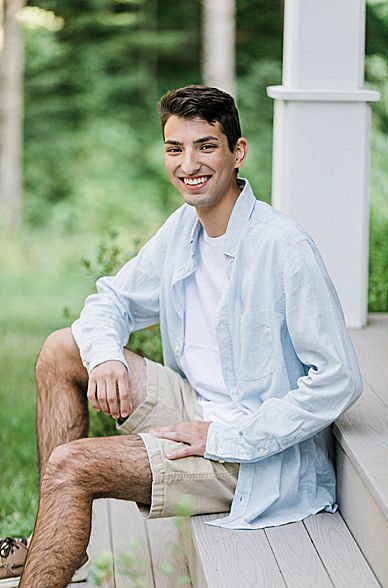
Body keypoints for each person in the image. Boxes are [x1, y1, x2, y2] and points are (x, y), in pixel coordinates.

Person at [0, 85, 362, 587]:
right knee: (63, 348)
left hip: (250, 454)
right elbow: (112, 300)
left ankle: (44, 565)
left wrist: (227, 436)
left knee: (72, 466)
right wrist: (105, 357)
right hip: (194, 408)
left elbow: (339, 380)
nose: (188, 163)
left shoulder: (283, 246)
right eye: (175, 148)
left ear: (238, 152)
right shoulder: (183, 230)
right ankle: (59, 542)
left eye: (205, 146)